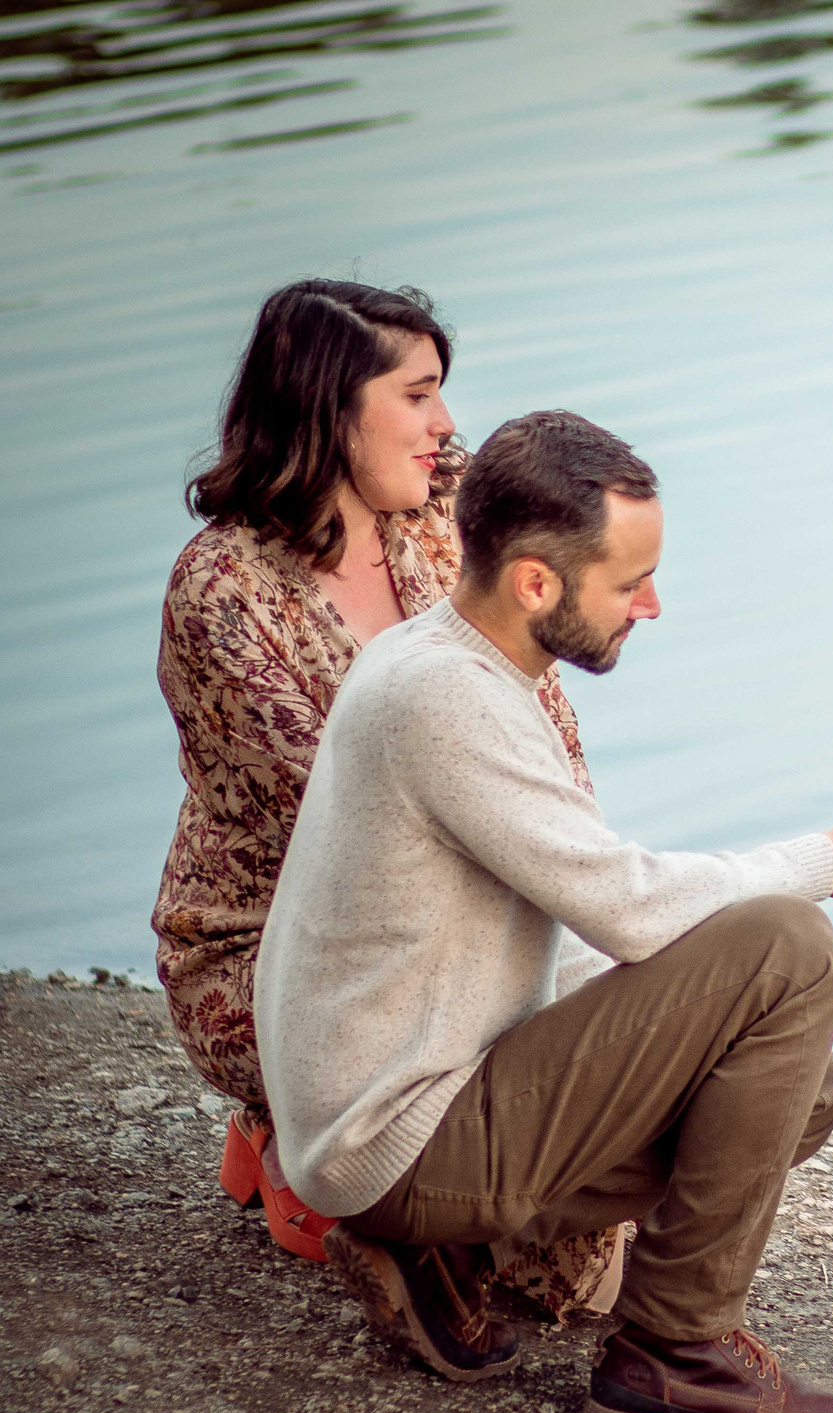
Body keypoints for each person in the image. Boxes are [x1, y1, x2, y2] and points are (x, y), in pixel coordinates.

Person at [258, 410, 833, 1413]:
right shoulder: (444, 698)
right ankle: (673, 1351)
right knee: (789, 951)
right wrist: (816, 862)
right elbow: (629, 905)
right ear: (536, 582)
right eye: (630, 582)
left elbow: (570, 924)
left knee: (798, 1089)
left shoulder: (449, 663)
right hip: (391, 1131)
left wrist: (684, 1019)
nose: (651, 605)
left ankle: (445, 1253)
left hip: (398, 1104)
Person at [153, 280, 617, 1311]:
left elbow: (546, 738)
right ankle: (310, 1138)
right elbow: (350, 839)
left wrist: (587, 895)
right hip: (293, 951)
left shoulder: (443, 521)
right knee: (536, 1190)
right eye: (417, 395)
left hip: (465, 919)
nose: (444, 422)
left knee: (586, 1269)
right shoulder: (222, 593)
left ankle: (368, 1176)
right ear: (330, 408)